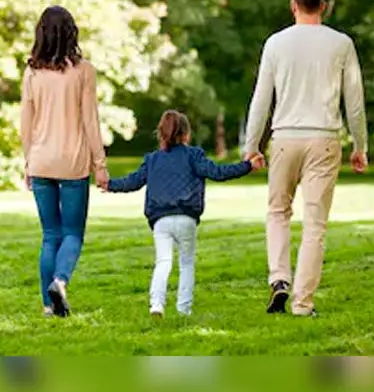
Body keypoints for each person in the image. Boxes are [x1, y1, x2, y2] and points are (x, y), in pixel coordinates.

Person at [243, 0, 369, 317]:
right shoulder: (341, 44)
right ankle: (302, 303)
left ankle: (279, 278)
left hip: (284, 138)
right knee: (315, 225)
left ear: (293, 5)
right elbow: (354, 102)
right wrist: (360, 146)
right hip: (324, 140)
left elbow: (261, 99)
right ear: (323, 6)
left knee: (277, 212)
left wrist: (251, 145)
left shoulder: (276, 43)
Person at [104, 110, 263, 317]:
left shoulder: (152, 160)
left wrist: (109, 184)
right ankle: (183, 310)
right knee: (186, 263)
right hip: (187, 218)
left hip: (160, 219)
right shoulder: (194, 155)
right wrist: (247, 166)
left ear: (160, 133)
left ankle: (157, 305)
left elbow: (132, 182)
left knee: (163, 262)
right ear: (186, 134)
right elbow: (218, 173)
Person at [19, 6, 110, 318]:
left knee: (50, 235)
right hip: (72, 163)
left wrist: (28, 162)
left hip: (41, 161)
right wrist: (100, 164)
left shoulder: (31, 72)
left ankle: (48, 306)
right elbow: (90, 121)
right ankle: (59, 281)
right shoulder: (84, 71)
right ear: (72, 33)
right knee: (72, 233)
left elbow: (25, 124)